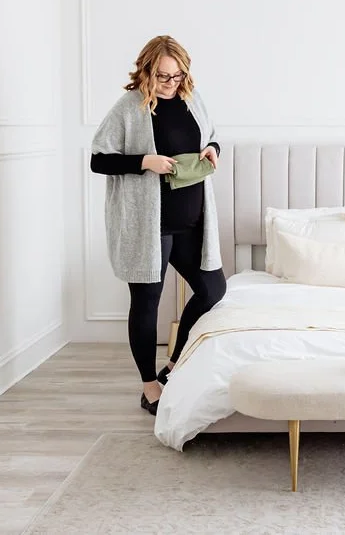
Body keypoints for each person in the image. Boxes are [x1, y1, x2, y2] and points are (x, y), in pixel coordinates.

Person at [90, 35, 227, 415]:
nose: (171, 83)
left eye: (178, 75)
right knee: (147, 302)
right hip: (149, 225)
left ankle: (172, 365)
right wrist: (145, 162)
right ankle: (149, 386)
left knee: (213, 290)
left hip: (192, 220)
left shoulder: (190, 98)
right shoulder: (129, 108)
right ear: (147, 71)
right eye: (164, 76)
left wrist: (212, 150)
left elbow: (213, 136)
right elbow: (99, 160)